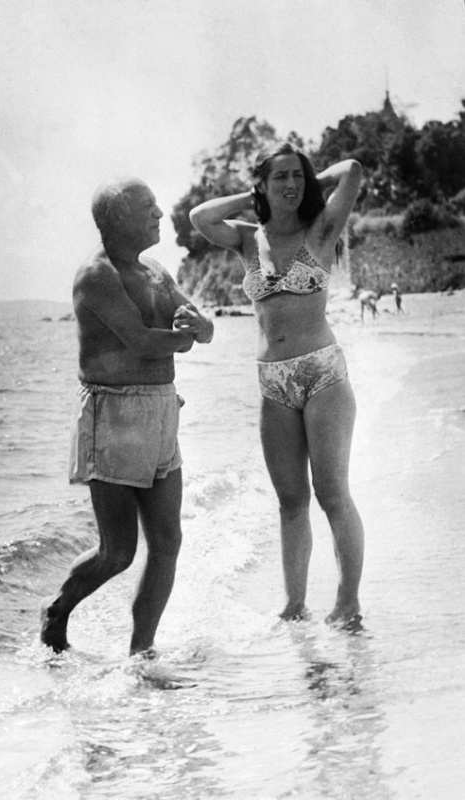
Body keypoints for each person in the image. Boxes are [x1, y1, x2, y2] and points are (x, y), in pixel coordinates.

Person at [189, 142, 364, 629]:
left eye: (297, 176)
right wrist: (253, 197)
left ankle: (348, 603)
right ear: (262, 185)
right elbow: (201, 217)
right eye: (280, 177)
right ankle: (294, 605)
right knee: (290, 503)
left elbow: (352, 170)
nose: (291, 184)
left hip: (323, 373)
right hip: (273, 383)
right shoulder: (248, 239)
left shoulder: (322, 228)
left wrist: (311, 181)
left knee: (331, 494)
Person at [40, 177, 213, 656]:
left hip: (161, 409)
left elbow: (199, 325)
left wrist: (202, 326)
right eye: (148, 207)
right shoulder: (96, 275)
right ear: (117, 220)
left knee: (168, 542)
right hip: (112, 414)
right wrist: (187, 339)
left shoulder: (154, 269)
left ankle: (141, 653)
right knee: (117, 552)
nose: (159, 213)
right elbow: (138, 341)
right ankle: (56, 609)